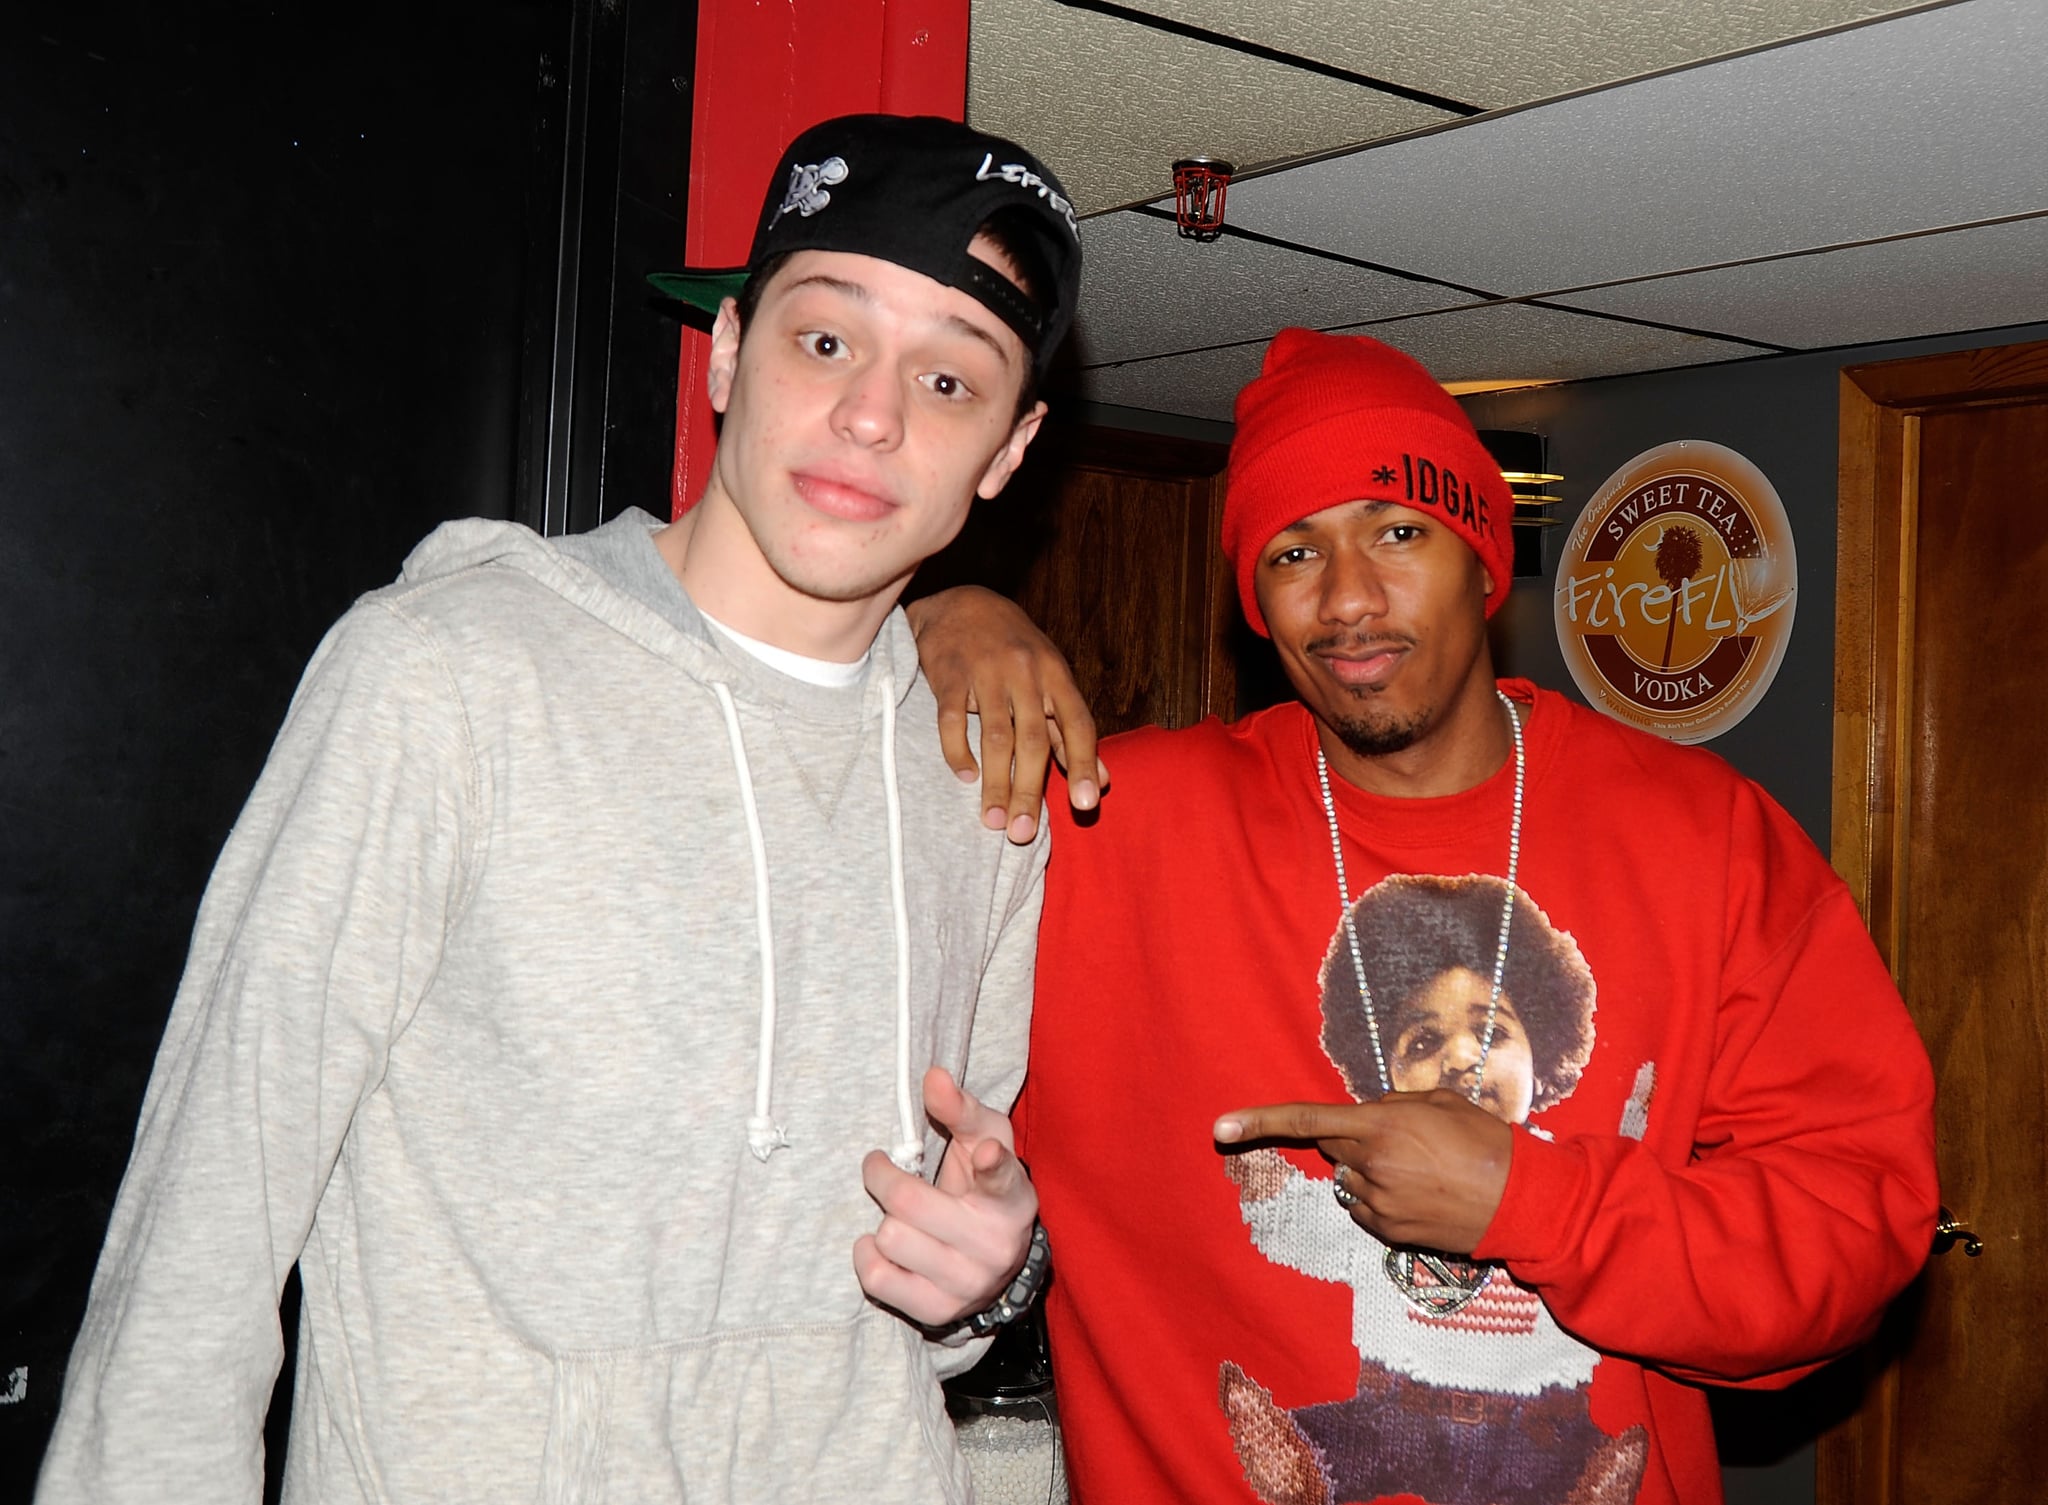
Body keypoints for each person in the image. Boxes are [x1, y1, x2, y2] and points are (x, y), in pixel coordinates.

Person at [37, 112, 1082, 1505]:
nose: (873, 415)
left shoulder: (982, 774)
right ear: (725, 352)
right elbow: (203, 1225)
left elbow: (923, 1305)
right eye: (826, 340)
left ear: (1009, 450)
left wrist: (985, 1278)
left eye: (950, 380)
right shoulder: (448, 676)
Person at [909, 327, 1939, 1504]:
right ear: (1253, 595)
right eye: (1294, 550)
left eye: (1396, 532)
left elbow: (1851, 1234)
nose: (1347, 599)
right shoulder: (1107, 825)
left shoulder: (1706, 840)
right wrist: (928, 623)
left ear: (1481, 556)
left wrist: (1531, 1201)